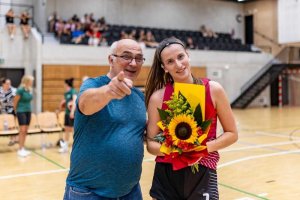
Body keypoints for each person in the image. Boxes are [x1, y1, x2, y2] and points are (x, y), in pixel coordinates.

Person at [145, 37, 238, 200]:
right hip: (167, 172)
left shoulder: (213, 90)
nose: (179, 65)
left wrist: (200, 149)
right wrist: (176, 149)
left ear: (188, 55)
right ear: (164, 67)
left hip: (203, 170)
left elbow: (232, 134)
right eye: (170, 61)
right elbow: (151, 144)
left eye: (181, 57)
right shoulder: (157, 98)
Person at [63, 39, 147, 200]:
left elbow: (135, 134)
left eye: (139, 58)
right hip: (89, 192)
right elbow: (85, 103)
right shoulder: (93, 84)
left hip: (131, 191)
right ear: (111, 59)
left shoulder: (139, 96)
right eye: (127, 56)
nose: (133, 63)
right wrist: (109, 91)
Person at [13, 75, 34, 157]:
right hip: (21, 111)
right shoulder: (20, 90)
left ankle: (23, 148)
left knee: (26, 130)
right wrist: (15, 112)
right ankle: (20, 148)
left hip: (28, 111)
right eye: (31, 81)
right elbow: (15, 102)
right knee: (22, 130)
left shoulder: (29, 90)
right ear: (27, 81)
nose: (32, 82)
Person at [58, 78, 77, 153]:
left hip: (72, 114)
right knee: (66, 129)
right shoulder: (66, 93)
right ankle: (65, 146)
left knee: (73, 131)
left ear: (66, 84)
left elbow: (75, 101)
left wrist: (72, 112)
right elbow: (66, 103)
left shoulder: (73, 91)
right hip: (66, 113)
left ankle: (76, 147)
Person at [0, 77, 17, 146]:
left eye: (10, 83)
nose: (9, 85)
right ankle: (13, 138)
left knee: (12, 125)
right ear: (3, 84)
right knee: (6, 125)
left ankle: (13, 139)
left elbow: (17, 100)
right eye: (7, 83)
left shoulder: (13, 90)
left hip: (12, 109)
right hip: (3, 109)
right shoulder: (0, 90)